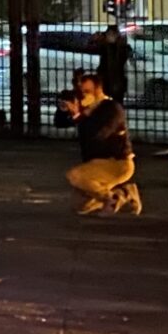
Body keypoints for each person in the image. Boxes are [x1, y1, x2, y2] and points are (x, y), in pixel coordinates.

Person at [61, 71, 139, 216]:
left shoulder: (111, 108)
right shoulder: (87, 111)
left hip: (117, 163)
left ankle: (109, 198)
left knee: (74, 175)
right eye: (82, 92)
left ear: (98, 90)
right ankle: (124, 193)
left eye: (87, 91)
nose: (84, 95)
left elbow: (97, 135)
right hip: (95, 164)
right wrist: (70, 109)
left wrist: (79, 116)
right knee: (80, 206)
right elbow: (59, 123)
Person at [94, 21, 134, 106]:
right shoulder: (104, 47)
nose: (109, 36)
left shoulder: (122, 48)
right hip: (106, 81)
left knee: (116, 104)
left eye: (112, 34)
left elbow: (124, 57)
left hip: (117, 81)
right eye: (108, 34)